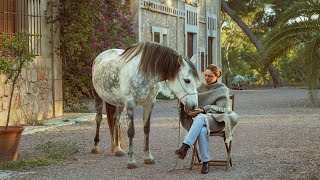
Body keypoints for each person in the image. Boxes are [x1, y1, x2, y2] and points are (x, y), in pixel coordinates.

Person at [175, 64, 238, 174]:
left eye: (210, 76)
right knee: (202, 130)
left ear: (216, 77)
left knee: (200, 117)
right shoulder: (199, 88)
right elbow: (191, 100)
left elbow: (222, 108)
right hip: (203, 121)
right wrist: (183, 101)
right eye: (205, 75)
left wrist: (203, 110)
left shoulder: (222, 89)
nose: (207, 78)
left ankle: (185, 147)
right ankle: (205, 162)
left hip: (218, 120)